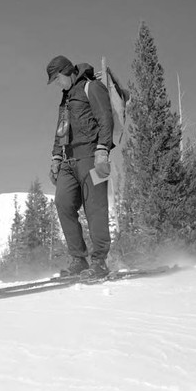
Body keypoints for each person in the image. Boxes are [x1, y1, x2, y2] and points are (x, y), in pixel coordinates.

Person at [46, 55, 114, 279]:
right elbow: (60, 129)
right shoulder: (65, 98)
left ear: (68, 72)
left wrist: (103, 149)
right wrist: (56, 157)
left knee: (95, 208)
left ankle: (100, 261)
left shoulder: (91, 87)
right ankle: (79, 259)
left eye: (57, 78)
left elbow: (105, 117)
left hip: (92, 157)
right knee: (63, 203)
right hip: (69, 160)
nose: (57, 83)